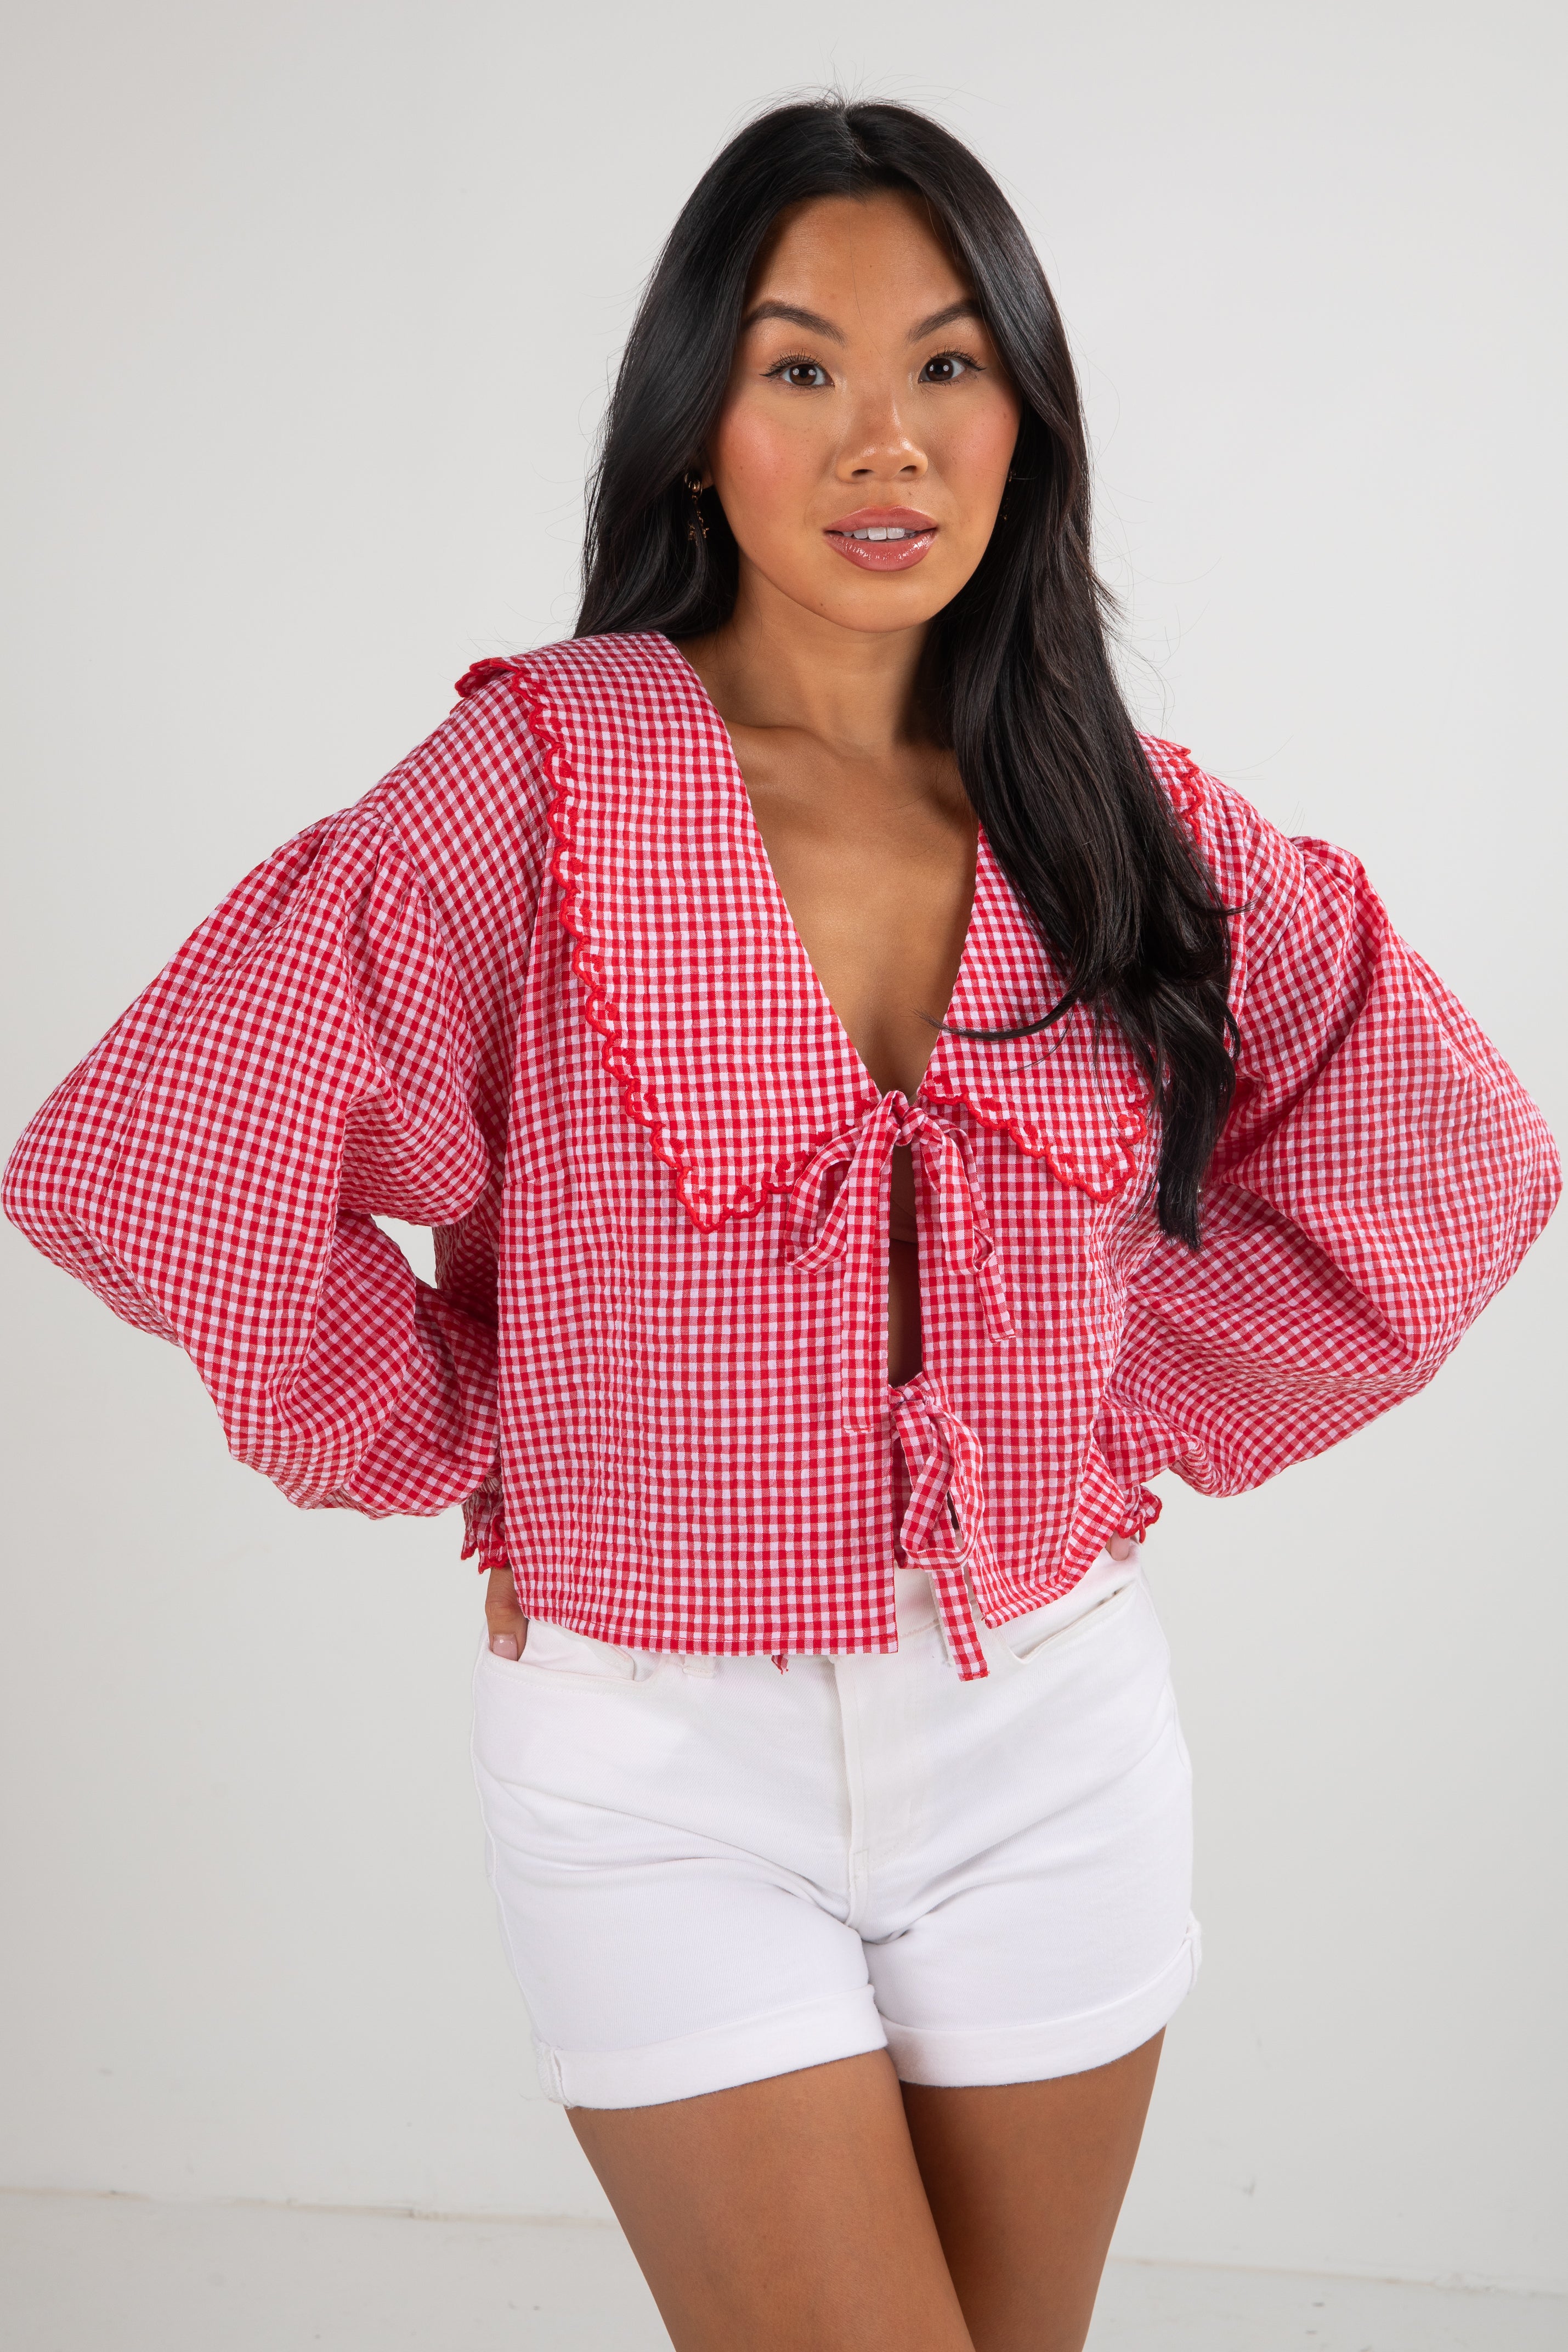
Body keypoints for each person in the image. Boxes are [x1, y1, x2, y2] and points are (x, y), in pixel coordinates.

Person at [4, 95, 1558, 2352]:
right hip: (656, 1762)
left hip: (1054, 1738)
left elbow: (1453, 1151)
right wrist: (478, 1432)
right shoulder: (545, 784)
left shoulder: (1113, 803)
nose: (885, 436)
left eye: (947, 362)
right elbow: (156, 1156)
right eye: (799, 364)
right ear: (693, 424)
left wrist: (1104, 1409)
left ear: (1025, 410)